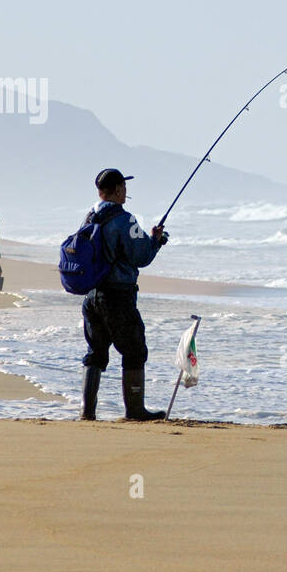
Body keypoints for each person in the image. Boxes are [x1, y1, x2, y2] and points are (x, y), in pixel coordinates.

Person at [79, 168, 169, 421]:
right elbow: (141, 257)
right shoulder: (124, 220)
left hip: (92, 296)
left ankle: (87, 412)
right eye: (124, 188)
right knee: (134, 351)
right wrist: (156, 241)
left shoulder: (89, 217)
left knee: (95, 353)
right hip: (117, 296)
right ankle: (135, 410)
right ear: (118, 190)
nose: (126, 193)